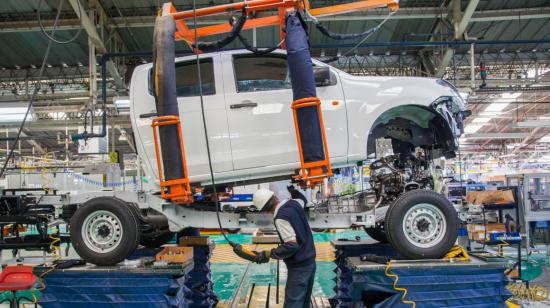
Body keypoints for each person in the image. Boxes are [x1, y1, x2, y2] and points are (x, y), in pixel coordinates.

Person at [243, 188, 316, 308]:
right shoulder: (294, 203)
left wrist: (269, 254)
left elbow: (292, 245)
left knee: (293, 302)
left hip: (299, 267)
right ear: (275, 197)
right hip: (310, 261)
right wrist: (293, 189)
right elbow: (302, 199)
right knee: (304, 303)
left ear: (264, 212)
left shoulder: (280, 217)